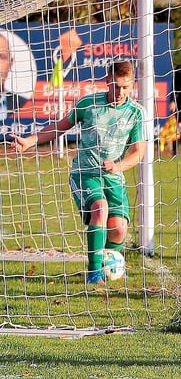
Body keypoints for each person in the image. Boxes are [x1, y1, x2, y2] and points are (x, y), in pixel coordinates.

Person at [12, 61, 145, 284]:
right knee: (100, 209)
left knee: (119, 230)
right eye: (115, 86)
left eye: (125, 87)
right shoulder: (88, 104)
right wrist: (31, 141)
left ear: (132, 86)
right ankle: (94, 273)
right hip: (84, 174)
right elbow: (59, 126)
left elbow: (139, 152)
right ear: (107, 82)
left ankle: (112, 263)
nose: (120, 92)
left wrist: (118, 166)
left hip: (114, 176)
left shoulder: (136, 113)